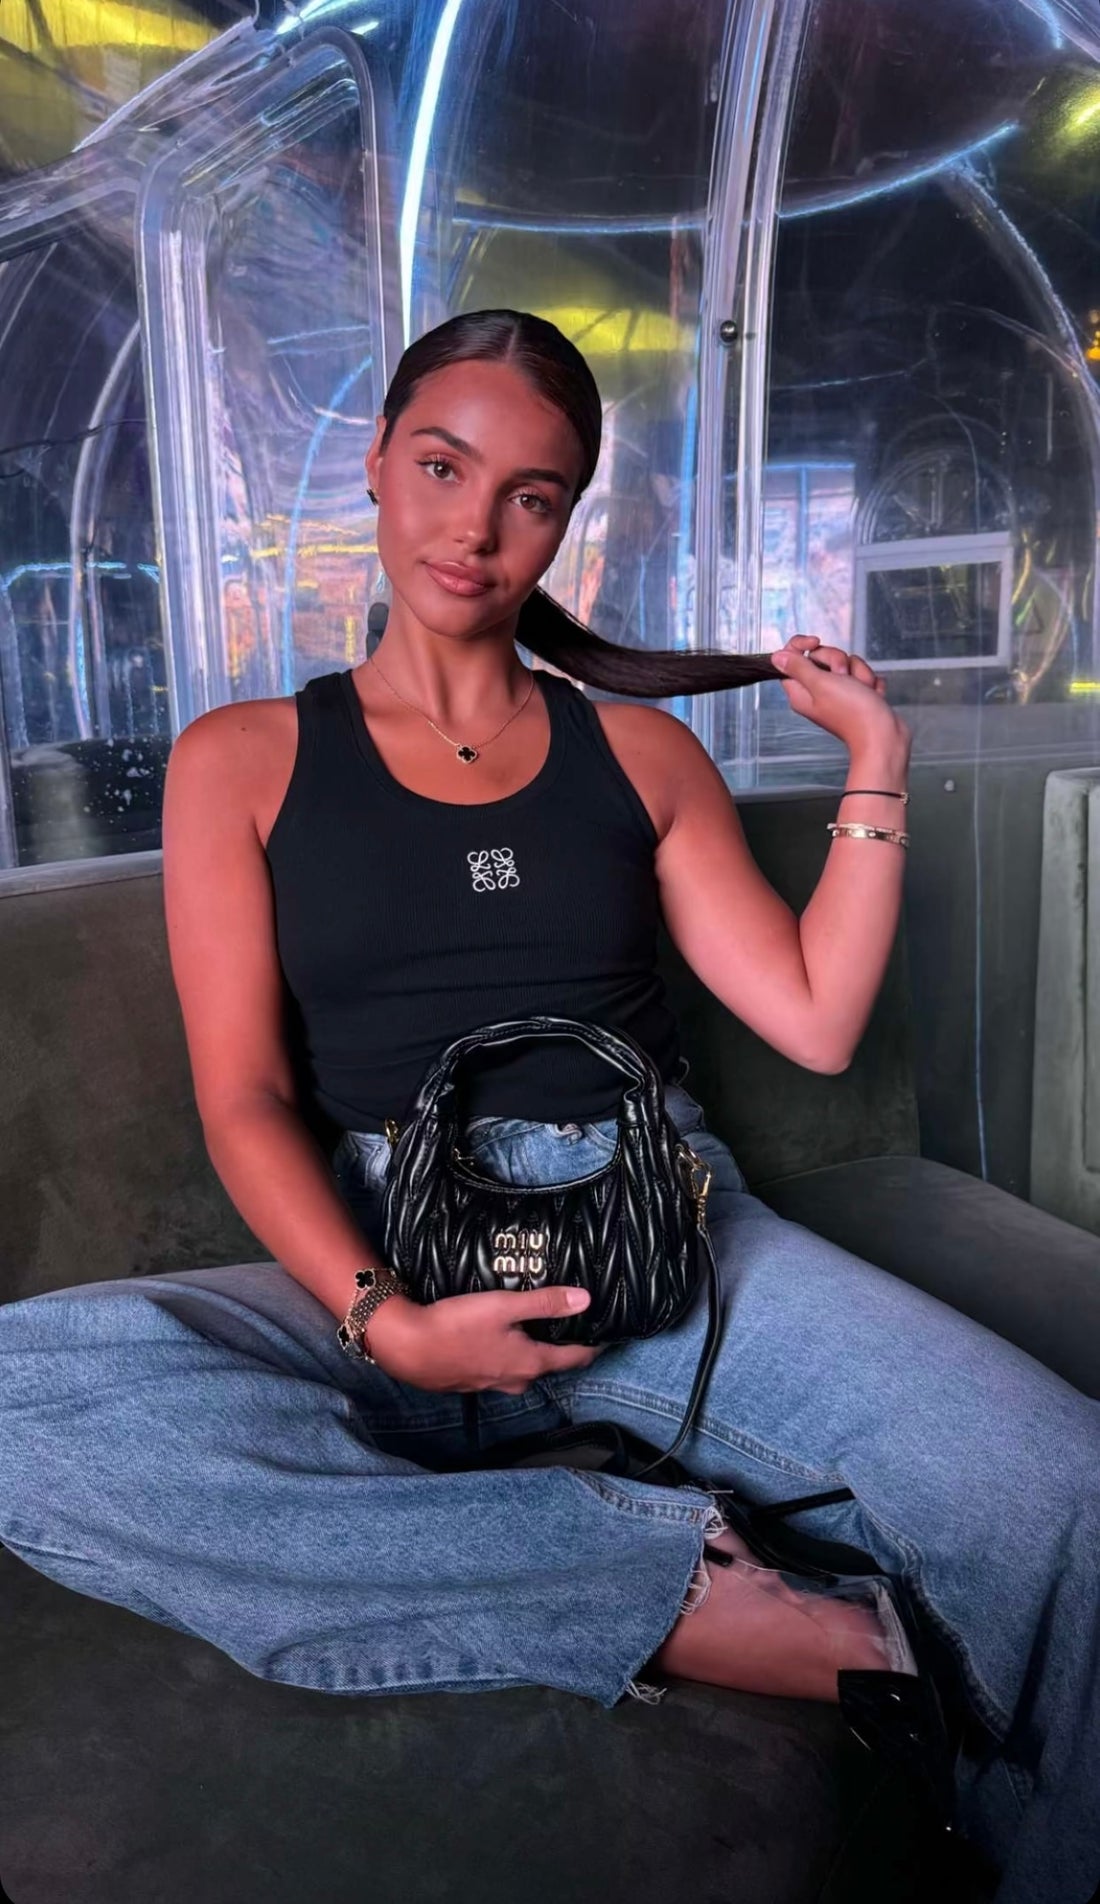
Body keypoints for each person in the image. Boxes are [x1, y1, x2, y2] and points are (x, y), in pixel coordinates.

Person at [0, 309, 1096, 1904]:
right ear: (377, 465)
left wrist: (876, 757)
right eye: (443, 467)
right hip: (388, 1244)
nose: (477, 526)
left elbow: (813, 1018)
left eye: (532, 494)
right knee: (19, 1390)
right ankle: (669, 1585)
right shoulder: (239, 757)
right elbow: (244, 1097)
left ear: (568, 518)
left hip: (671, 1244)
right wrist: (387, 1322)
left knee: (1065, 1490)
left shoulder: (641, 752)